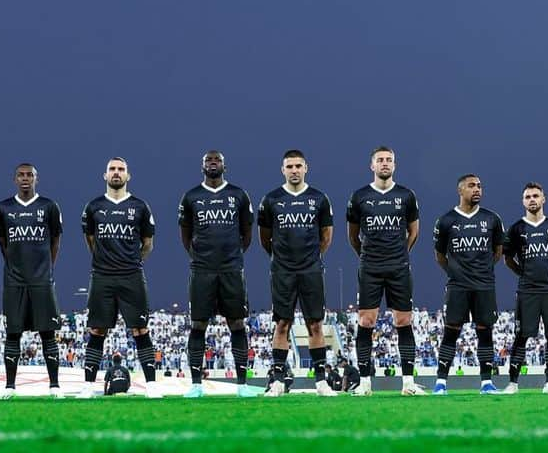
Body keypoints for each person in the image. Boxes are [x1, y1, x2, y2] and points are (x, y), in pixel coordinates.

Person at [177, 150, 256, 398]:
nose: (213, 163)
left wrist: (232, 255)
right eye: (208, 160)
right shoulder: (191, 197)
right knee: (198, 324)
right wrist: (201, 256)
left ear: (224, 165)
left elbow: (247, 233)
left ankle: (242, 384)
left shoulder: (238, 195)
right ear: (202, 166)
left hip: (231, 269)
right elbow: (186, 235)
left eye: (217, 160)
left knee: (237, 323)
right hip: (202, 270)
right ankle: (196, 384)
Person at [78, 157, 159, 398]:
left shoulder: (140, 207)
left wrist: (130, 262)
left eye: (121, 169)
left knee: (141, 329)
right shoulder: (93, 207)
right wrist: (105, 260)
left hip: (131, 276)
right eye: (112, 169)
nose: (116, 173)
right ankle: (89, 386)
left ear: (128, 176)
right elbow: (90, 240)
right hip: (102, 276)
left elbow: (148, 244)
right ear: (105, 175)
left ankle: (152, 386)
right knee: (97, 330)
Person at [345, 146, 423, 396]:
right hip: (370, 267)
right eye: (380, 160)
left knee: (404, 321)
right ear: (372, 165)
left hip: (399, 266)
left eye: (389, 160)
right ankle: (365, 383)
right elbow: (353, 235)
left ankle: (408, 383)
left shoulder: (406, 195)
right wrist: (368, 256)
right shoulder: (359, 197)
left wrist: (401, 252)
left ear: (395, 165)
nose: (385, 163)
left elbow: (414, 231)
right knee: (366, 321)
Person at [257, 150, 335, 397]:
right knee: (282, 323)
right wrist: (282, 257)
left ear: (306, 168)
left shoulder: (319, 198)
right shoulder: (271, 200)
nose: (294, 170)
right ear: (283, 170)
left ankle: (321, 382)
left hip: (310, 269)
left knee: (315, 324)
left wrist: (311, 257)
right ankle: (278, 380)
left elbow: (326, 236)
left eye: (298, 166)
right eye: (289, 166)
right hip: (282, 270)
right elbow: (264, 238)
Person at [0, 163, 64, 398]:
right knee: (13, 333)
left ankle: (54, 386)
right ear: (15, 179)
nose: (25, 179)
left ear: (37, 178)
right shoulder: (4, 208)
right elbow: (3, 241)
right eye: (21, 175)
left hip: (42, 280)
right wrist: (15, 265)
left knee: (47, 333)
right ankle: (10, 387)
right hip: (14, 281)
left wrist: (46, 267)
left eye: (30, 175)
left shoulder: (49, 206)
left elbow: (55, 240)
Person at [432, 174, 504, 395]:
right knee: (451, 332)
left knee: (485, 332)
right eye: (472, 186)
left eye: (480, 186)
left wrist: (482, 271)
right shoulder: (446, 221)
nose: (477, 189)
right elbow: (440, 255)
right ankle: (441, 383)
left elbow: (498, 252)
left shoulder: (492, 219)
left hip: (484, 285)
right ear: (460, 190)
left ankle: (486, 383)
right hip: (458, 286)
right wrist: (456, 273)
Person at [503, 182, 548, 395]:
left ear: (543, 199)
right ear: (523, 201)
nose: (532, 199)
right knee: (521, 336)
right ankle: (512, 383)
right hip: (528, 290)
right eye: (528, 196)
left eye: (535, 196)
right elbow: (508, 258)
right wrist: (523, 273)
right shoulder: (516, 229)